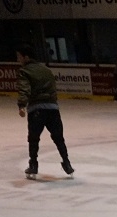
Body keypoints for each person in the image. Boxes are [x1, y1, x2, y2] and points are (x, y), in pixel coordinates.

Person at [16, 43, 74, 180]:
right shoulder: (46, 69)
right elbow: (53, 88)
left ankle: (33, 164)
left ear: (26, 57)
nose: (18, 59)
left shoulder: (24, 71)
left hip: (37, 109)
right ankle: (67, 163)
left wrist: (22, 105)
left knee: (33, 138)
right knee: (58, 137)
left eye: (19, 56)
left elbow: (24, 88)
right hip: (53, 108)